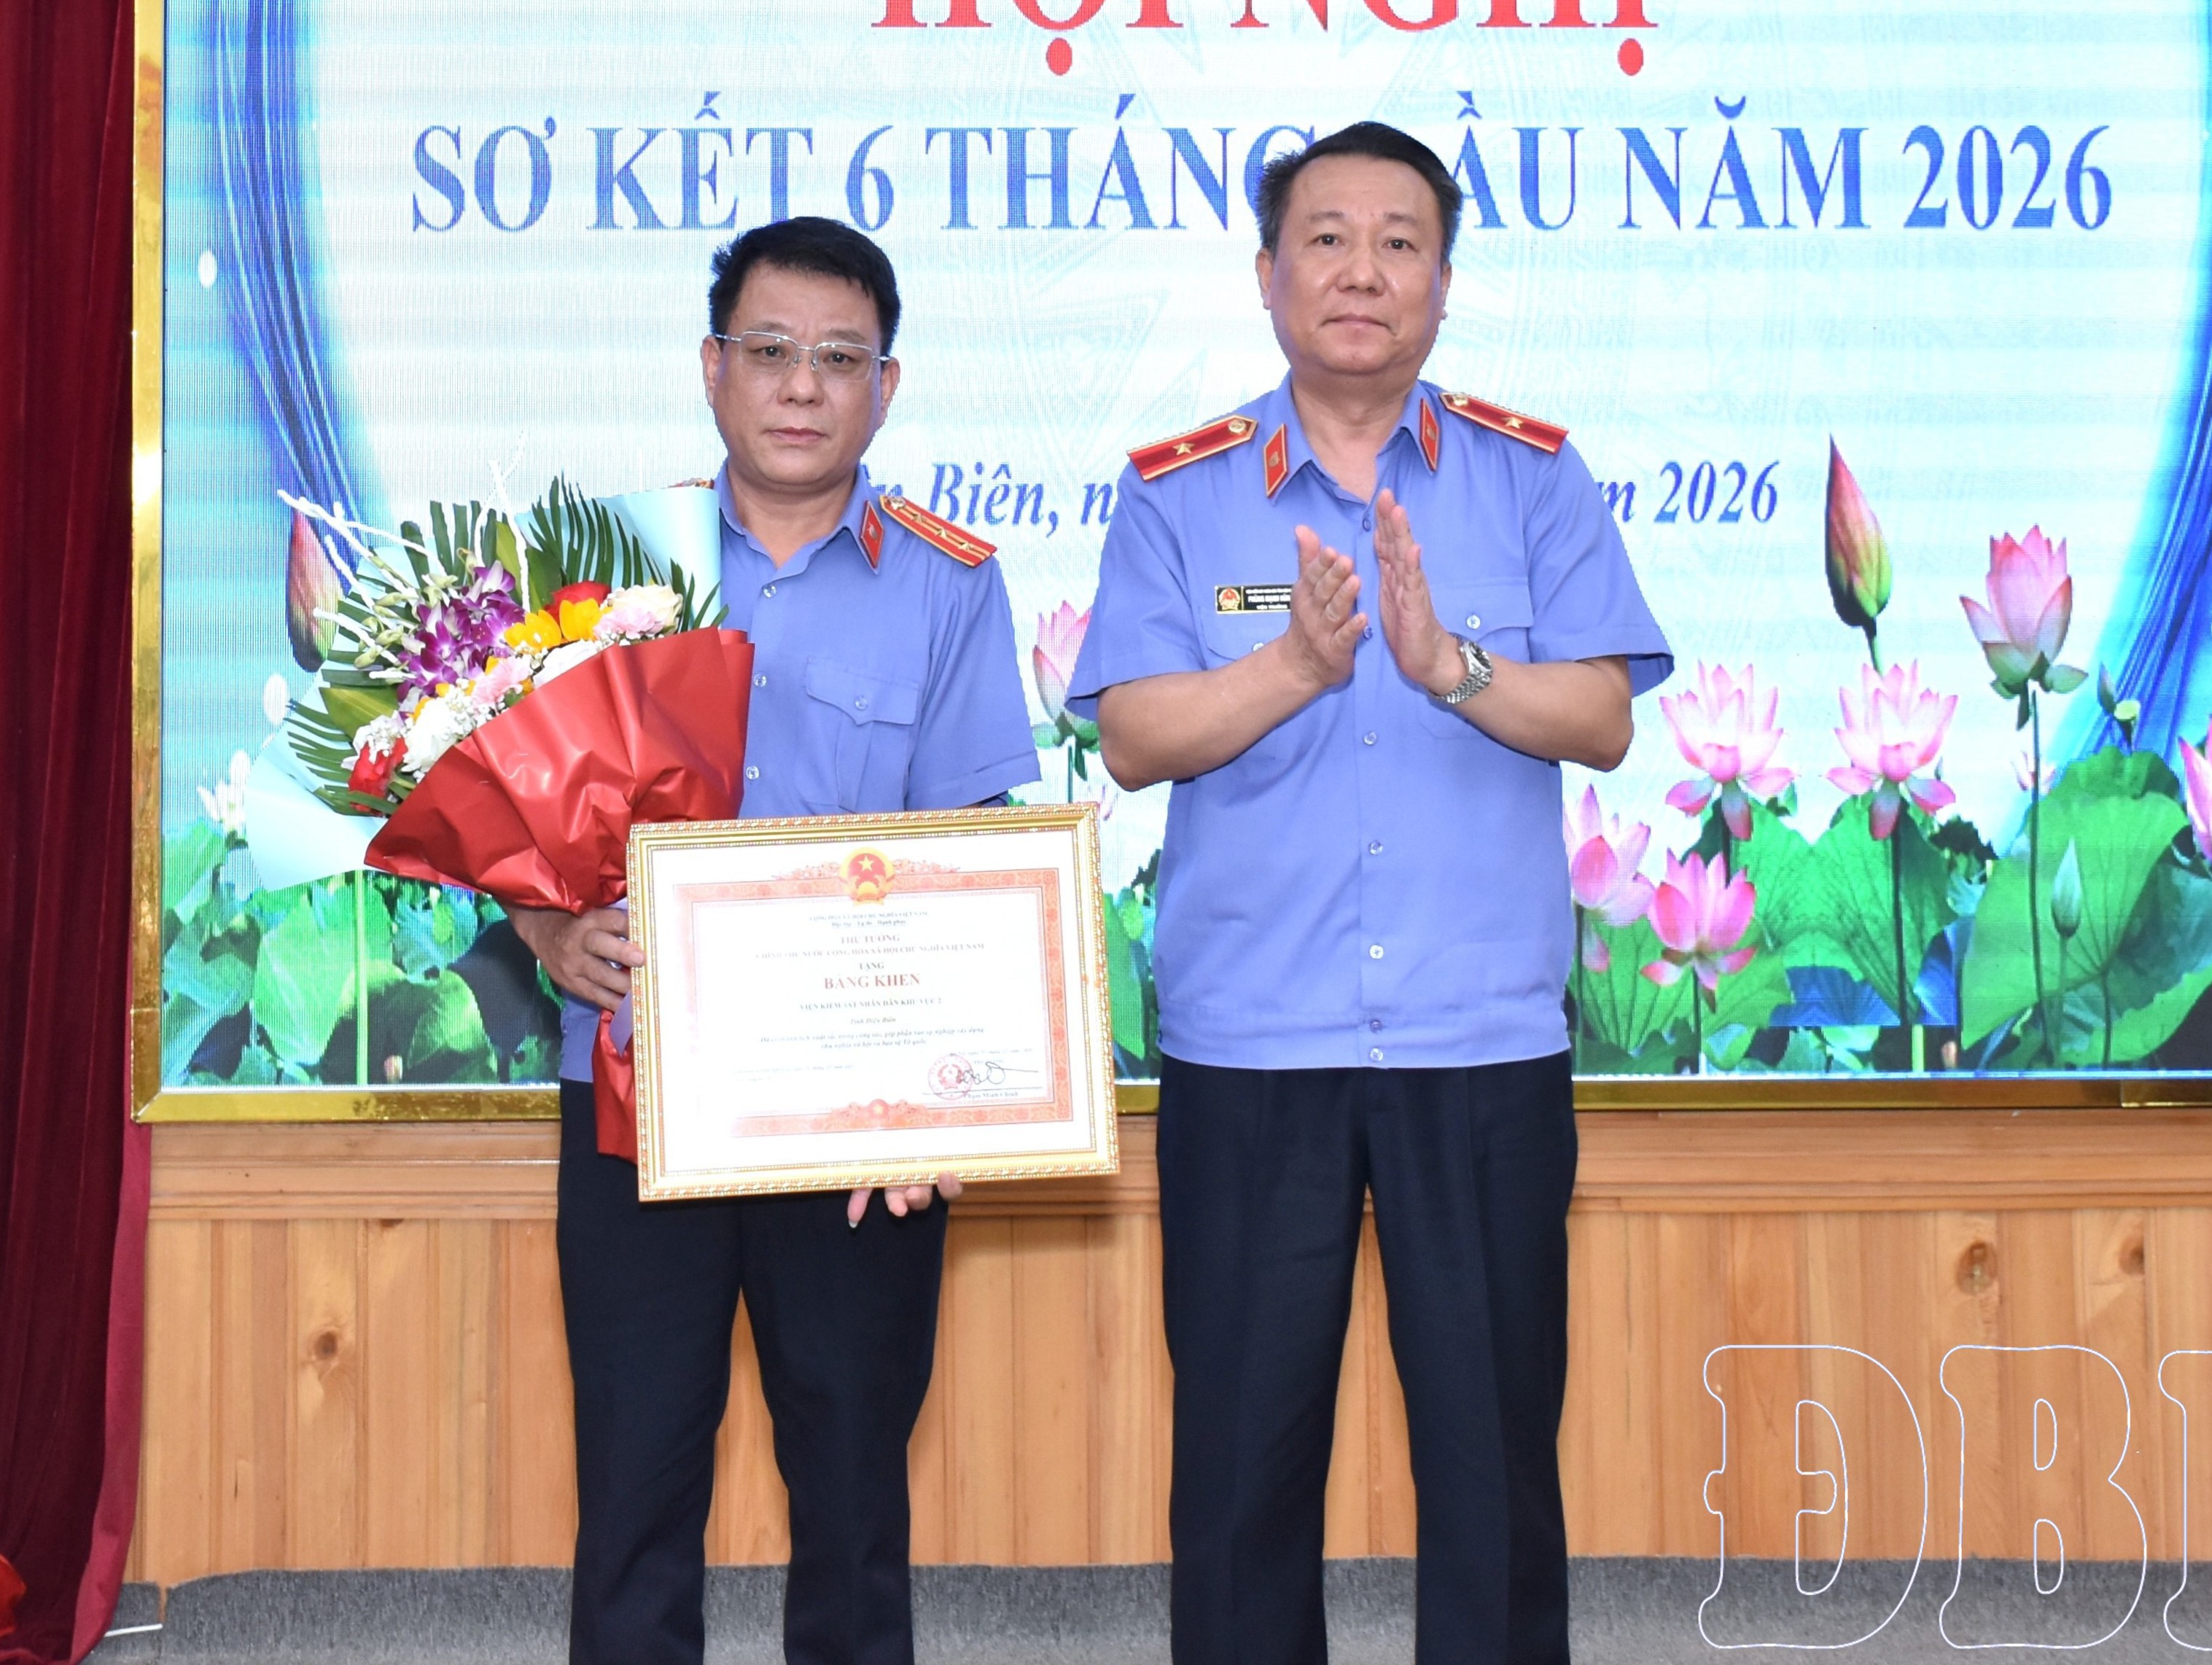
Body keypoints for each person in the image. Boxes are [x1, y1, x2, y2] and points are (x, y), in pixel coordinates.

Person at [1066, 121, 1672, 1665]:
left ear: (1444, 284)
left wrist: (1447, 666)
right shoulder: (1181, 493)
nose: (1361, 270)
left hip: (1479, 1048)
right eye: (1325, 238)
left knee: (1491, 1462)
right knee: (1239, 1472)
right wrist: (1293, 665)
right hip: (1251, 1045)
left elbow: (1603, 716)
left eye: (1399, 242)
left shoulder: (1532, 479)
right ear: (1267, 275)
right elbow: (1132, 735)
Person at [510, 216, 1038, 1665]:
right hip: (637, 1097)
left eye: (839, 358)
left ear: (886, 386)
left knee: (854, 1491)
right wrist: (546, 921)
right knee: (634, 1484)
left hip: (857, 1122)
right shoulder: (612, 566)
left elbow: (971, 854)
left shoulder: (947, 582)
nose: (802, 385)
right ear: (712, 366)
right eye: (770, 350)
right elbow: (506, 794)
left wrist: (942, 1104)